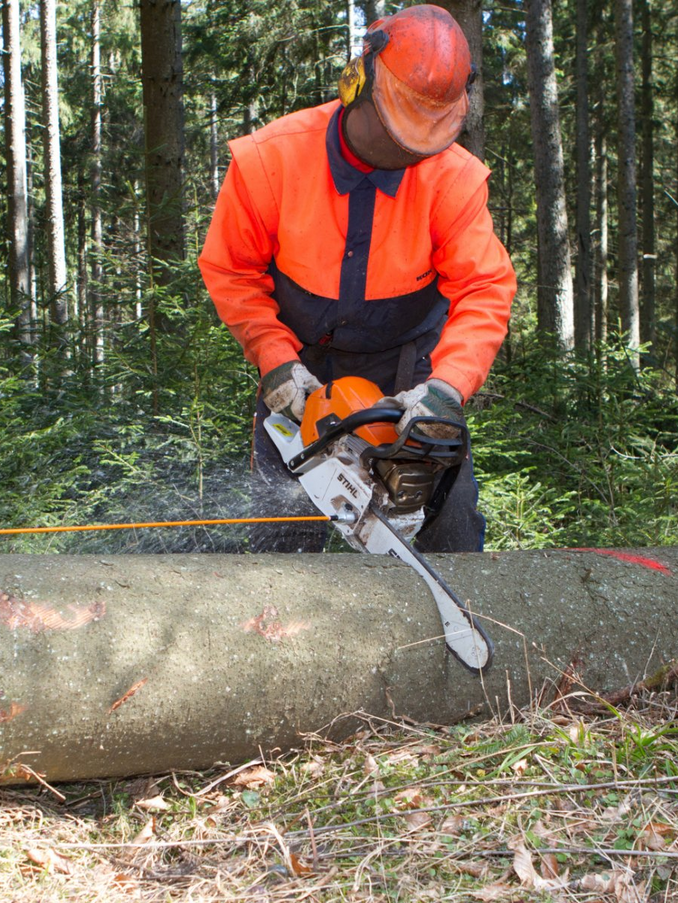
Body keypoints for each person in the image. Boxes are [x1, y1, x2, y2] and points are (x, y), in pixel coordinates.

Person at [198, 4, 516, 553]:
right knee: (279, 533)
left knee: (451, 521)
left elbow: (484, 288)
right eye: (398, 133)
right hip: (302, 373)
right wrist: (273, 358)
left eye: (423, 140)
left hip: (405, 376)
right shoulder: (270, 162)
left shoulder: (453, 180)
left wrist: (446, 389)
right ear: (357, 85)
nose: (407, 153)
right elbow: (232, 268)